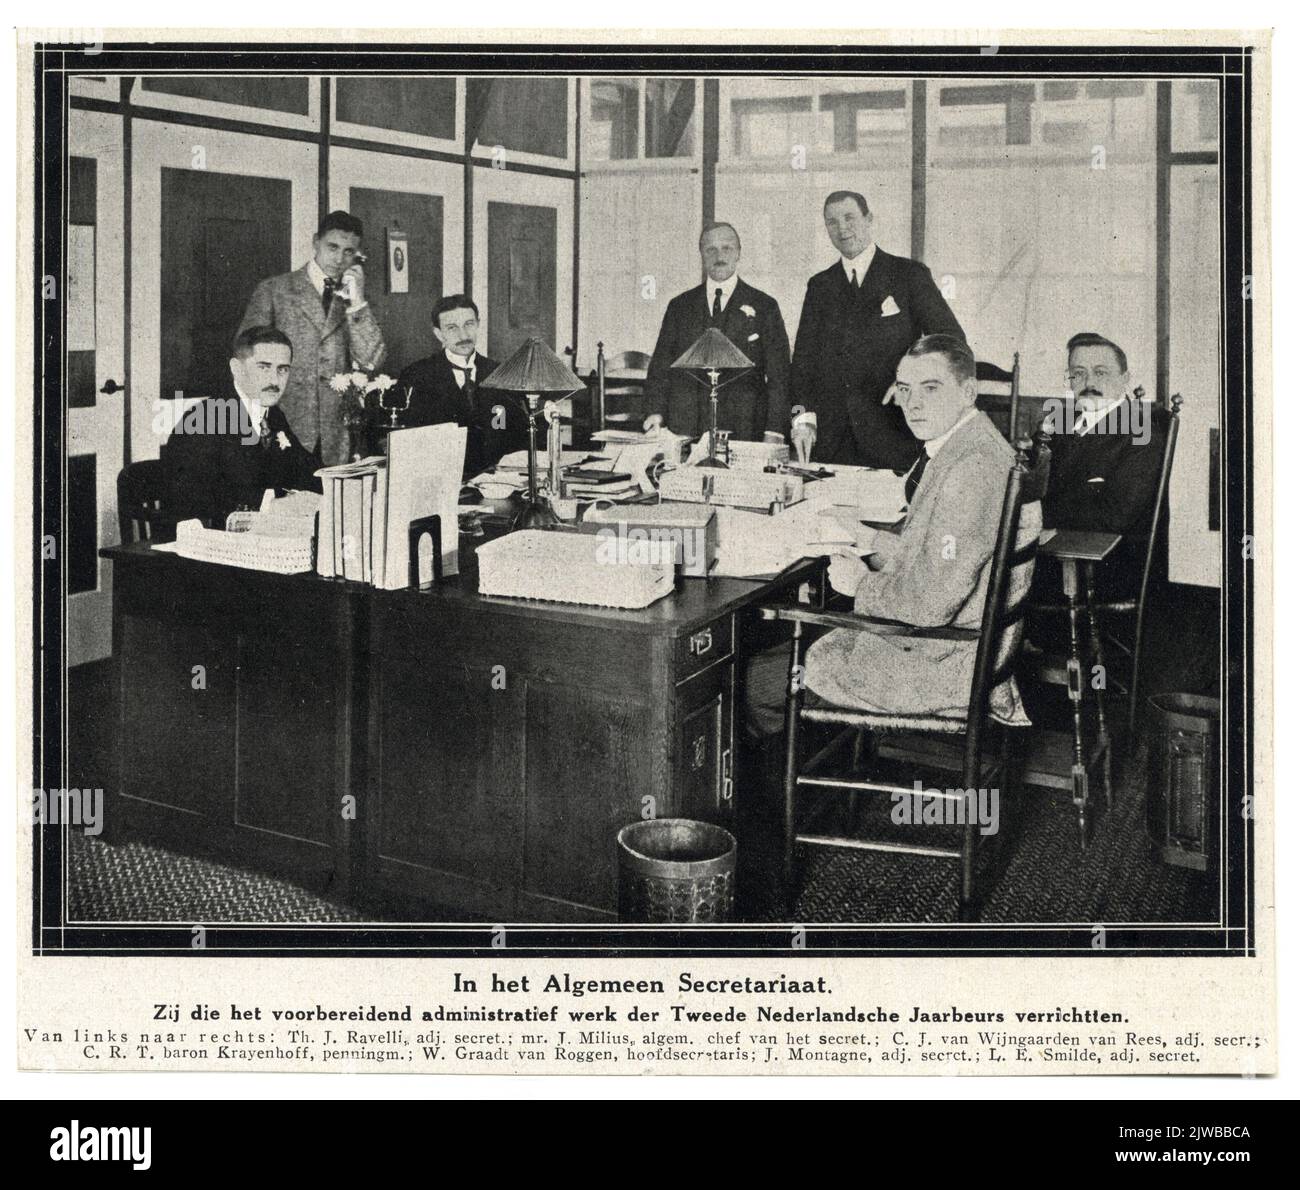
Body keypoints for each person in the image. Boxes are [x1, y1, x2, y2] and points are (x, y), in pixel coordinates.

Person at [746, 335, 1035, 731]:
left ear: (968, 392)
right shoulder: (973, 445)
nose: (913, 404)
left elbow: (932, 603)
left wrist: (860, 584)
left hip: (942, 667)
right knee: (788, 651)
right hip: (958, 651)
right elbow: (945, 558)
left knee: (752, 681)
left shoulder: (972, 469)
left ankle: (794, 788)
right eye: (904, 390)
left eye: (930, 388)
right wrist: (870, 539)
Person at [789, 190, 964, 471]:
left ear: (869, 219)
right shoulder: (820, 285)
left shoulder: (908, 274)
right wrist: (802, 420)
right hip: (832, 442)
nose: (841, 228)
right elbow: (802, 363)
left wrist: (912, 379)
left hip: (892, 434)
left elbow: (950, 340)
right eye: (831, 222)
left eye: (849, 218)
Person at [237, 210, 386, 466]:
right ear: (316, 242)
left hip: (337, 431)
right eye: (332, 247)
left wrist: (357, 303)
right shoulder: (275, 290)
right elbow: (245, 356)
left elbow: (373, 360)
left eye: (349, 252)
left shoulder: (355, 296)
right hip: (284, 420)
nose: (339, 259)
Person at [642, 221, 792, 443]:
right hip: (686, 427)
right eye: (710, 249)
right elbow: (660, 367)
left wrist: (775, 430)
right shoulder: (680, 306)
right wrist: (655, 413)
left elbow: (780, 376)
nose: (718, 255)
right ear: (701, 254)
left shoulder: (765, 306)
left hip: (745, 427)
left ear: (739, 253)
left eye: (727, 248)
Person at [166, 326, 321, 527]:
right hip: (204, 545)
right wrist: (271, 506)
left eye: (282, 369)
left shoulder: (272, 414)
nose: (274, 380)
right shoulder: (203, 419)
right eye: (263, 367)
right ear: (236, 369)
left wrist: (345, 482)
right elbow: (194, 500)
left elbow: (305, 468)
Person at [396, 295, 528, 479]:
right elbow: (409, 444)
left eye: (469, 324)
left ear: (478, 324)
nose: (464, 335)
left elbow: (516, 434)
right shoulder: (417, 376)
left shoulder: (500, 373)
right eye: (452, 328)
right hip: (439, 480)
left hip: (496, 482)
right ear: (438, 333)